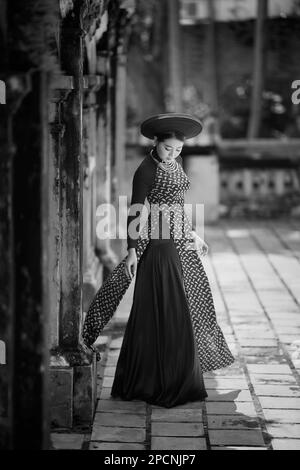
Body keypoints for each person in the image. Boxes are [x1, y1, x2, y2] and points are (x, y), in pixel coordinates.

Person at [82, 113, 235, 408]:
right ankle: (165, 383)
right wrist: (131, 250)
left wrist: (193, 235)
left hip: (179, 240)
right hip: (161, 245)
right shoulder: (146, 169)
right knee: (170, 311)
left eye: (178, 150)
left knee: (190, 302)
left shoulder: (173, 164)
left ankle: (163, 379)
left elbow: (178, 204)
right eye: (168, 149)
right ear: (155, 143)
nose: (172, 154)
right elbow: (136, 210)